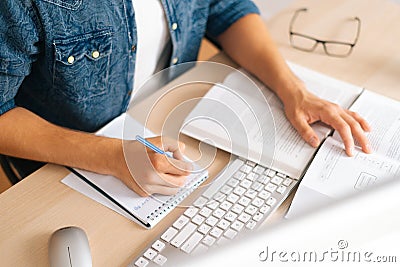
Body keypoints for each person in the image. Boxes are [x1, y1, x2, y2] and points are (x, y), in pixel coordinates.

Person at [0, 0, 371, 196]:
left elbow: (226, 9)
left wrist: (294, 89)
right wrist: (112, 155)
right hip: (67, 164)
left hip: (171, 127)